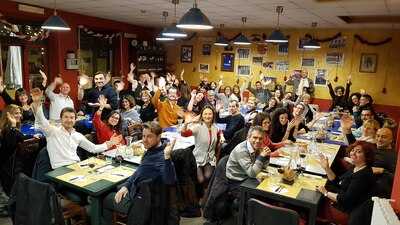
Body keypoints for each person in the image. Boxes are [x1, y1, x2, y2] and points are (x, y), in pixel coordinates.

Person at [102, 122, 177, 223]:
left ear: (159, 137)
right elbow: (139, 171)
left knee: (105, 199)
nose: (144, 140)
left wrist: (167, 157)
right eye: (143, 136)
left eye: (149, 136)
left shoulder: (162, 157)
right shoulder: (153, 149)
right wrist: (127, 186)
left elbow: (170, 180)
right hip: (139, 192)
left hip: (141, 202)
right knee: (117, 187)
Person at [30, 88, 121, 169]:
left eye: (71, 117)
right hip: (60, 169)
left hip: (77, 166)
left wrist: (109, 144)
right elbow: (42, 120)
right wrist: (37, 103)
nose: (69, 120)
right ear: (61, 119)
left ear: (75, 120)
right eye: (66, 117)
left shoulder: (77, 135)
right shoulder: (52, 131)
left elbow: (93, 148)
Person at [317, 141, 375, 225]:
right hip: (342, 200)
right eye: (353, 150)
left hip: (346, 211)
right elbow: (338, 182)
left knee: (311, 201)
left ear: (367, 156)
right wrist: (327, 168)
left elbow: (345, 200)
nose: (353, 153)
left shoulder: (362, 176)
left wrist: (326, 193)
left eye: (359, 152)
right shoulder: (357, 167)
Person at [181, 106, 223, 185]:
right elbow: (184, 134)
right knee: (201, 180)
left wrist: (221, 136)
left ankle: (205, 193)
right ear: (202, 116)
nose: (207, 116)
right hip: (198, 157)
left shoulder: (215, 127)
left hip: (210, 158)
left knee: (208, 177)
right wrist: (186, 124)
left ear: (213, 115)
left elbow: (219, 131)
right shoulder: (198, 127)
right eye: (205, 114)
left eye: (210, 114)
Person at [0, 105, 26, 195]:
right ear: (8, 115)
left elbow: (21, 137)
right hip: (7, 170)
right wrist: (13, 126)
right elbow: (9, 147)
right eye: (16, 113)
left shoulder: (13, 129)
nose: (19, 115)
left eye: (19, 113)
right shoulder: (4, 130)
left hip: (13, 167)